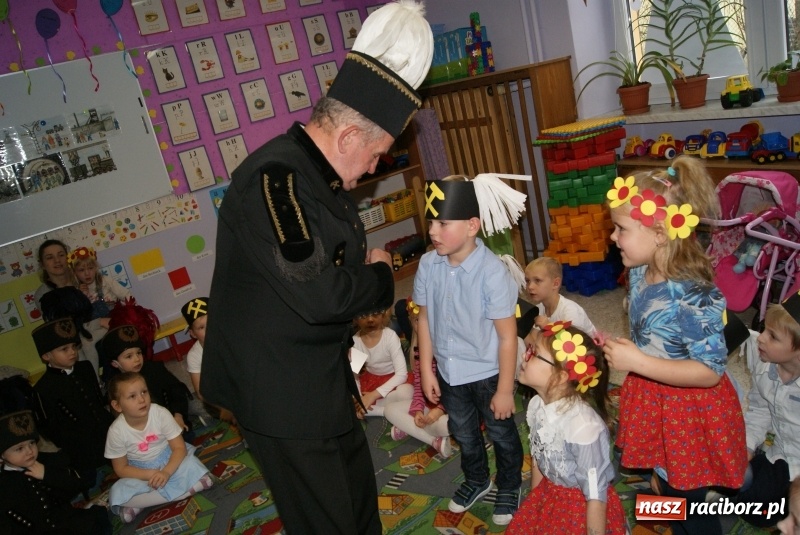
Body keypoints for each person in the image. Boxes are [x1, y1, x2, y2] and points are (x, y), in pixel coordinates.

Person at [200, 2, 433, 533]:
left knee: (355, 500)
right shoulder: (275, 180)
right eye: (376, 155)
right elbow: (322, 293)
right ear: (349, 138)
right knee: (323, 517)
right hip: (277, 390)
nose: (376, 166)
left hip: (315, 374)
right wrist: (380, 272)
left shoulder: (315, 173)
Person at [602, 157, 748, 535]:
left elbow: (709, 372)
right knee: (667, 483)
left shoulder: (693, 295)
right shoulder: (638, 272)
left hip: (689, 410)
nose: (613, 238)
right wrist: (628, 349)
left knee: (691, 502)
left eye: (621, 229)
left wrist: (638, 362)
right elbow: (651, 333)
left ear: (661, 233)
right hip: (656, 401)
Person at [415, 173, 529, 526]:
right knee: (463, 433)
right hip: (450, 373)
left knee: (500, 433)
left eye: (443, 222)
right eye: (431, 221)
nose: (433, 231)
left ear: (471, 226)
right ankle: (477, 479)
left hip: (489, 373)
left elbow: (508, 337)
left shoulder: (492, 272)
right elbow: (424, 319)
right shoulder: (427, 264)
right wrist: (425, 369)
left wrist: (506, 390)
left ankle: (509, 483)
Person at [507, 323, 626, 534]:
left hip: (579, 508)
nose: (525, 355)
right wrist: (534, 505)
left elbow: (596, 496)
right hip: (549, 494)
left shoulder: (583, 427)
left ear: (561, 377)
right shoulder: (537, 405)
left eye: (534, 353)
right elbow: (539, 457)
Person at [104, 372, 212, 523]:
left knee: (191, 464)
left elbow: (179, 448)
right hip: (141, 472)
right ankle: (188, 489)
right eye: (132, 396)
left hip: (170, 460)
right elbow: (121, 469)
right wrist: (150, 474)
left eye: (144, 392)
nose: (142, 399)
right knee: (117, 492)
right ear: (117, 405)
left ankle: (142, 504)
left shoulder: (160, 413)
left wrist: (166, 472)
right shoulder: (116, 431)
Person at [732, 290, 800, 528]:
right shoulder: (764, 364)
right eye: (764, 329)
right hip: (781, 454)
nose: (760, 338)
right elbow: (760, 409)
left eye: (772, 336)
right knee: (748, 497)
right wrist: (747, 446)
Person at [31, 317, 114, 491]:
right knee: (90, 484)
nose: (72, 352)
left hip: (107, 433)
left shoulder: (85, 368)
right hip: (79, 450)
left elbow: (98, 401)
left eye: (74, 346)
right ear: (47, 356)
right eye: (64, 349)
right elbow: (48, 427)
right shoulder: (42, 388)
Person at [0, 409, 112, 534]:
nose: (29, 451)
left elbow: (76, 485)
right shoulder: (4, 483)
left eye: (31, 443)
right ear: (2, 455)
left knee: (97, 524)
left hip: (66, 522)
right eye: (19, 449)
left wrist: (46, 474)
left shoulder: (45, 461)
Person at [384, 297, 452, 457]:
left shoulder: (446, 350)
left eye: (427, 320)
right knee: (389, 410)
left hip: (450, 408)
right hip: (429, 405)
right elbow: (418, 389)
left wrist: (440, 411)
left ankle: (408, 427)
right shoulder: (417, 350)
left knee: (447, 425)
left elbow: (457, 390)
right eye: (416, 320)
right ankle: (433, 440)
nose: (421, 325)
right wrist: (418, 411)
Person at [97, 325, 192, 434]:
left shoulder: (154, 369)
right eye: (129, 356)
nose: (137, 359)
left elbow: (177, 390)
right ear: (115, 363)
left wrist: (178, 415)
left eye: (138, 353)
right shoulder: (116, 385)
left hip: (172, 422)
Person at [521, 257, 598, 345]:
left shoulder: (570, 311)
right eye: (528, 281)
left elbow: (573, 346)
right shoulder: (539, 309)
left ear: (555, 283)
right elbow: (534, 345)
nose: (530, 286)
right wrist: (521, 329)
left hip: (588, 354)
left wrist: (549, 327)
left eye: (537, 280)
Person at [181, 297, 235, 423]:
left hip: (240, 384)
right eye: (201, 327)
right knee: (202, 405)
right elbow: (201, 392)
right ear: (193, 333)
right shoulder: (194, 355)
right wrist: (223, 408)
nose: (209, 329)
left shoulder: (231, 340)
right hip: (219, 395)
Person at [353, 308, 408, 417]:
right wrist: (360, 399)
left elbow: (402, 374)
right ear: (356, 319)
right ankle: (386, 411)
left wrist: (373, 395)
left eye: (375, 314)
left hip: (393, 380)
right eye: (364, 316)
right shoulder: (355, 340)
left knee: (405, 392)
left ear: (383, 315)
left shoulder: (390, 336)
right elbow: (355, 376)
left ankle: (382, 409)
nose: (370, 320)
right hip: (371, 381)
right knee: (348, 400)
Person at [68, 246, 130, 324]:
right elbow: (78, 316)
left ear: (96, 268)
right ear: (74, 273)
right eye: (81, 270)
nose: (87, 273)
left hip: (116, 322)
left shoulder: (105, 281)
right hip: (96, 329)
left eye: (90, 268)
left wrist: (131, 313)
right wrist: (81, 296)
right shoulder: (76, 291)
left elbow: (127, 296)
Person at [33, 239, 75, 310]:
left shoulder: (83, 279)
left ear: (68, 258)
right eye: (50, 257)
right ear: (42, 264)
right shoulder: (42, 294)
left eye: (61, 255)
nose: (57, 260)